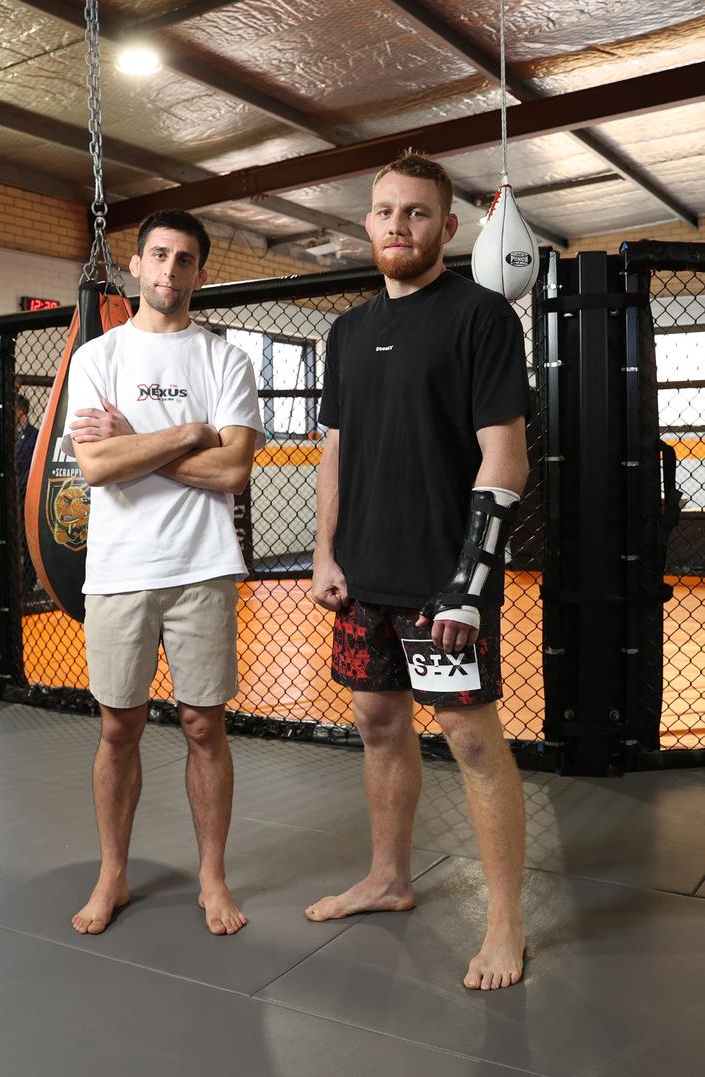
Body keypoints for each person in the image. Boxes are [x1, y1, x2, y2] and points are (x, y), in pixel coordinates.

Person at [309, 151, 530, 991]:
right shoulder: (347, 331)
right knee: (376, 720)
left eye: (415, 213)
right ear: (367, 222)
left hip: (443, 586)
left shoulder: (480, 319)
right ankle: (389, 877)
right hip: (363, 577)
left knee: (471, 737)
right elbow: (336, 451)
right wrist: (327, 553)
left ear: (448, 226)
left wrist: (469, 585)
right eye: (384, 211)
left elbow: (504, 458)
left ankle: (505, 922)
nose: (397, 225)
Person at [63, 209, 265, 937]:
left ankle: (212, 876)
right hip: (119, 569)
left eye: (184, 260)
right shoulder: (99, 357)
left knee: (203, 724)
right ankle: (112, 872)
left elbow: (234, 470)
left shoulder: (225, 359)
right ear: (137, 264)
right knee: (119, 727)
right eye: (158, 255)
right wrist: (184, 433)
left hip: (202, 566)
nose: (169, 271)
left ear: (200, 274)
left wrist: (137, 440)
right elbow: (95, 465)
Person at [15, 393, 39, 596]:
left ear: (21, 411)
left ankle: (28, 585)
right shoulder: (6, 437)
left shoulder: (35, 437)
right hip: (10, 497)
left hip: (26, 496)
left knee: (26, 542)